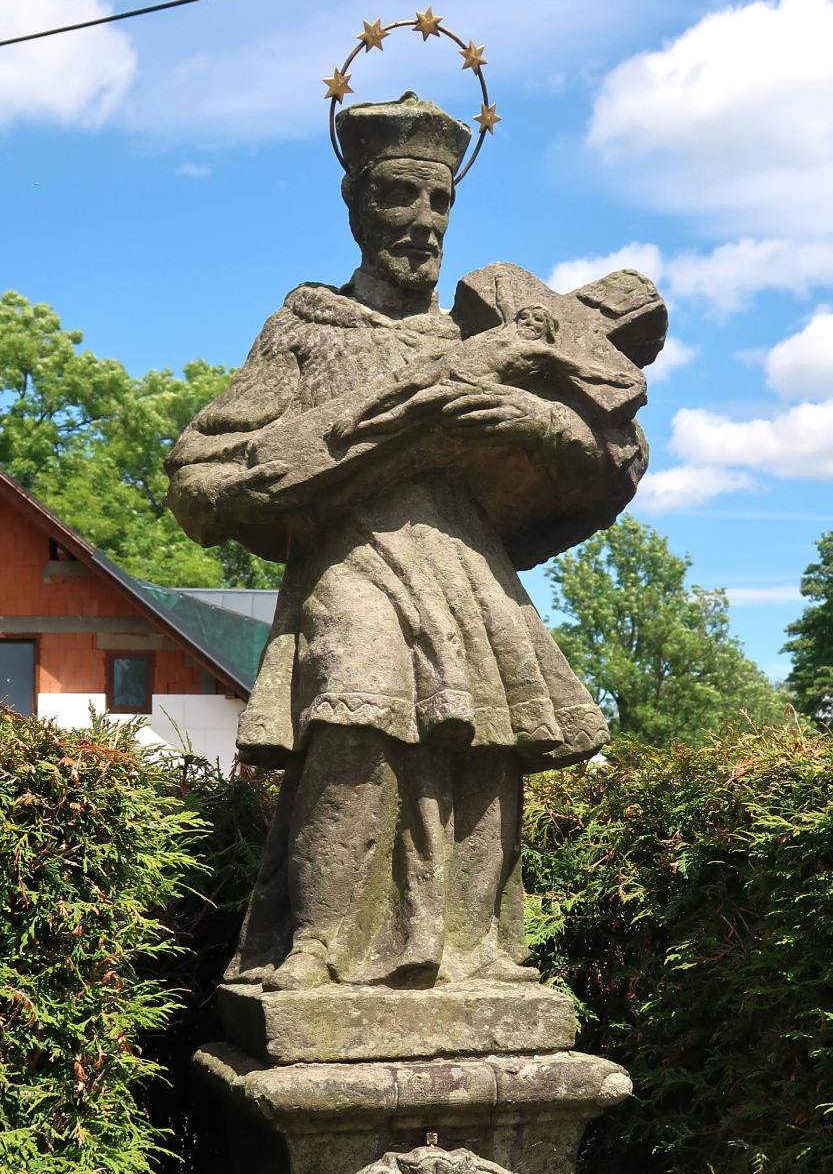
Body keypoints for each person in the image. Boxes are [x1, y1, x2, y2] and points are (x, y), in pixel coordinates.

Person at [166, 93, 650, 991]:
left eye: (439, 201)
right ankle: (318, 943)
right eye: (398, 195)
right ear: (356, 205)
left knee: (488, 747)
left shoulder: (489, 329)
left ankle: (479, 949)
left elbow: (616, 451)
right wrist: (256, 485)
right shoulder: (305, 330)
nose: (422, 222)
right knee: (355, 710)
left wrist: (536, 425)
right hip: (352, 557)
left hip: (467, 565)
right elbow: (200, 468)